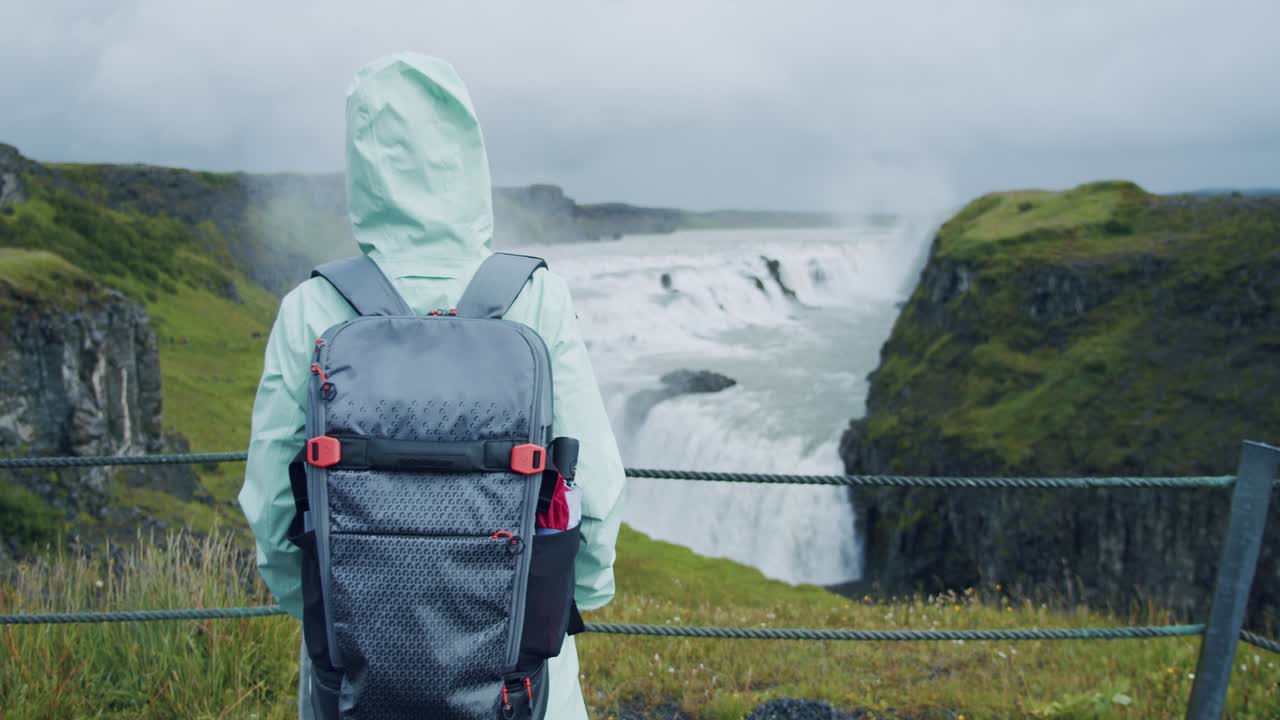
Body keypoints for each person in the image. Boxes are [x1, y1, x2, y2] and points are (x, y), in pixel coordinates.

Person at [238, 52, 626, 720]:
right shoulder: (537, 298)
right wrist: (572, 598)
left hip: (354, 680)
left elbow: (274, 504)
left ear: (361, 163)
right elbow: (593, 489)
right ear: (471, 156)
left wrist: (322, 611)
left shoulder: (313, 307)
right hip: (523, 683)